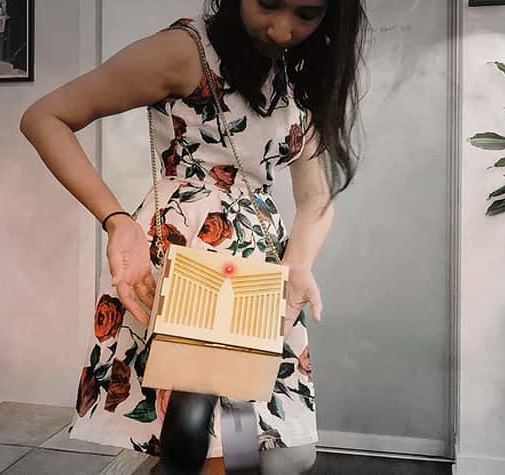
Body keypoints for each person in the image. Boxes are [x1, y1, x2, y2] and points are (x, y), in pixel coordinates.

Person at [20, 1, 368, 473]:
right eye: (267, 2)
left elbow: (316, 196)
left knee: (256, 440)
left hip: (258, 272)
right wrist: (116, 220)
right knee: (200, 437)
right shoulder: (184, 52)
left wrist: (298, 263)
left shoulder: (299, 73)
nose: (282, 30)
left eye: (307, 14)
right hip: (185, 261)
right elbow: (45, 117)